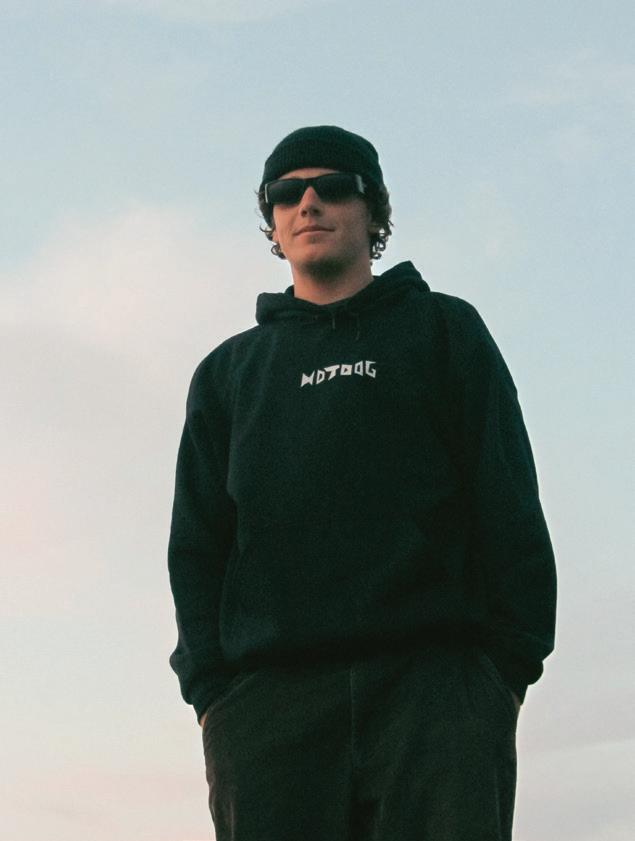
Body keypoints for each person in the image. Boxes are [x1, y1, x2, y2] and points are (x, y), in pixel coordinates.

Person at [167, 125, 557, 841]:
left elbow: (506, 498)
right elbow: (197, 544)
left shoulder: (444, 330)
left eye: (333, 187)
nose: (308, 203)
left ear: (373, 208)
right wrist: (214, 696)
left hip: (437, 694)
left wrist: (502, 671)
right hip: (268, 710)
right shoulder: (227, 375)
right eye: (287, 193)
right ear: (272, 223)